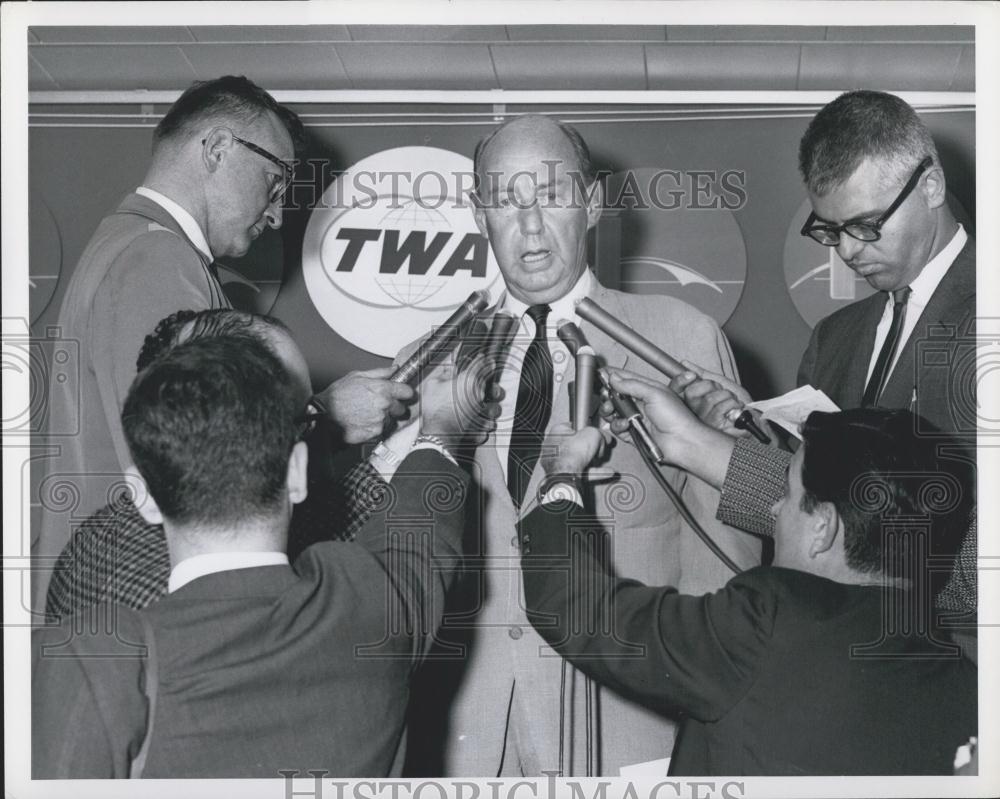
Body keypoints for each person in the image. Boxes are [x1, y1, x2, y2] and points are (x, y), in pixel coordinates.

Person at [394, 114, 761, 777]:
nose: (529, 224)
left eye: (552, 194)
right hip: (466, 738)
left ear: (592, 204)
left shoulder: (681, 341)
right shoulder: (429, 361)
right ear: (480, 213)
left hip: (631, 729)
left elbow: (725, 566)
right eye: (506, 198)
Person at [32, 332, 493, 778]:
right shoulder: (374, 602)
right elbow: (419, 529)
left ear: (142, 495)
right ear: (297, 473)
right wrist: (441, 426)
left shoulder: (91, 663)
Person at [35, 76, 412, 611]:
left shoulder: (128, 243)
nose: (279, 212)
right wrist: (324, 418)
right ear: (216, 148)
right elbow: (200, 462)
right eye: (274, 181)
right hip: (147, 605)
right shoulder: (158, 261)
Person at [520, 376, 976, 775]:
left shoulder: (769, 621)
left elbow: (578, 608)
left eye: (788, 492)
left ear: (823, 528)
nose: (775, 508)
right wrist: (686, 441)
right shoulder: (966, 687)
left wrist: (561, 476)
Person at [44, 309, 391, 620]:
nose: (306, 431)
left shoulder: (106, 534)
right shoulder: (194, 603)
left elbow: (309, 530)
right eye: (298, 416)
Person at [795, 90, 975, 443]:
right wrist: (753, 434)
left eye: (866, 224)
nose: (846, 251)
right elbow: (810, 488)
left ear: (931, 187)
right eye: (832, 229)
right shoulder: (830, 339)